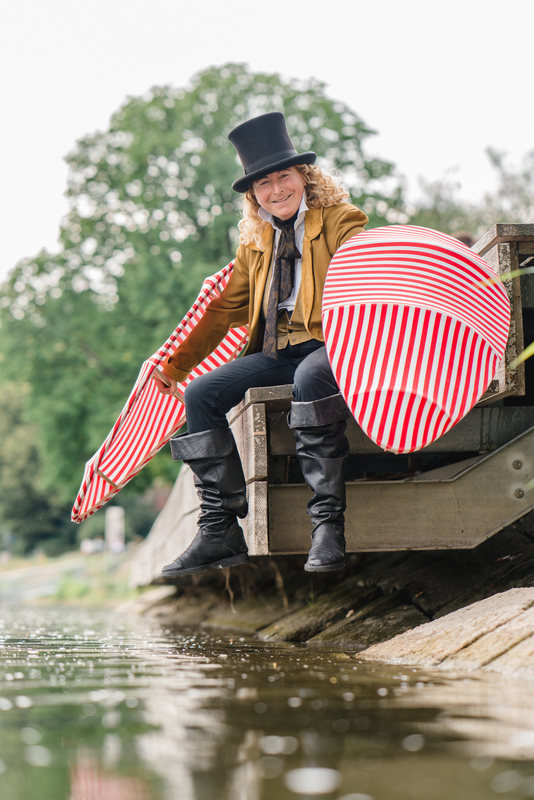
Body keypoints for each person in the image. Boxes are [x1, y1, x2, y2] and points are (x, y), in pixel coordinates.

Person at [154, 112, 368, 577]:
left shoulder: (340, 219)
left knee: (313, 373)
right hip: (278, 352)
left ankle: (328, 527)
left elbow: (365, 276)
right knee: (201, 394)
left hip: (334, 344)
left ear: (304, 177)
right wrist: (176, 365)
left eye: (284, 176)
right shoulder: (255, 241)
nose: (276, 190)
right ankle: (220, 530)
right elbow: (224, 308)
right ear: (254, 194)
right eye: (264, 183)